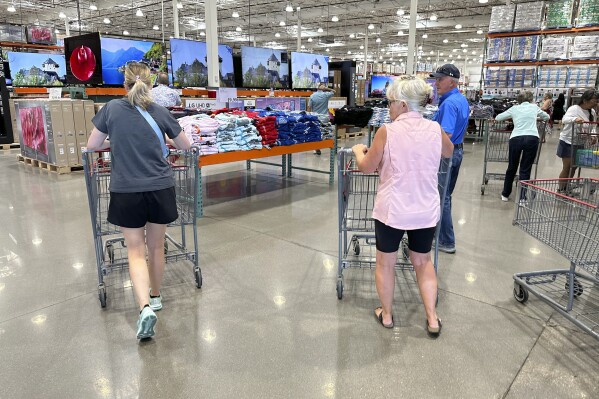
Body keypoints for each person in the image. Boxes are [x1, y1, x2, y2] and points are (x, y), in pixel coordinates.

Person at [86, 62, 191, 341]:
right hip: (160, 188)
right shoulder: (160, 111)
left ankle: (144, 307)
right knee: (156, 247)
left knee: (135, 250)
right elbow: (186, 146)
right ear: (151, 84)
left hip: (126, 190)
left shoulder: (110, 109)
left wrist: (115, 143)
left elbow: (92, 145)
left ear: (124, 84)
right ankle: (156, 296)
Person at [351, 76, 453, 337]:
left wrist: (357, 151)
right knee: (423, 262)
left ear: (405, 105)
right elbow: (449, 152)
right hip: (425, 209)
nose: (389, 107)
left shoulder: (388, 131)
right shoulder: (434, 128)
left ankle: (386, 315)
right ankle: (432, 317)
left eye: (392, 102)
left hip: (393, 211)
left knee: (385, 263)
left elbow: (366, 167)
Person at [430, 64, 469, 254]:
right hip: (458, 151)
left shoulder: (448, 104)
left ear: (451, 82)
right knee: (446, 196)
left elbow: (446, 133)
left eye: (440, 79)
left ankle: (446, 240)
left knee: (441, 197)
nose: (436, 83)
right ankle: (441, 235)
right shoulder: (460, 99)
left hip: (447, 155)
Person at [495, 91, 549, 202]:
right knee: (525, 169)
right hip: (532, 138)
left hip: (516, 138)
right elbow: (546, 117)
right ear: (531, 99)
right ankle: (522, 197)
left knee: (512, 167)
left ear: (519, 100)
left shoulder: (514, 108)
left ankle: (505, 194)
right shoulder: (534, 107)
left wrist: (512, 117)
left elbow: (498, 118)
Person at [556, 89, 597, 190]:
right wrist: (575, 119)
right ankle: (561, 189)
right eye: (594, 100)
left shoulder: (592, 112)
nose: (596, 103)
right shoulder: (574, 108)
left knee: (574, 167)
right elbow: (565, 119)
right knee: (567, 167)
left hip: (580, 143)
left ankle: (566, 186)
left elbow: (593, 127)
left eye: (597, 100)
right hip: (568, 142)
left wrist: (593, 136)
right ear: (585, 100)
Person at [308, 83, 335, 155]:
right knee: (327, 133)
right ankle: (332, 147)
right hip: (325, 118)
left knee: (316, 133)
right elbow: (333, 91)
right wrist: (326, 88)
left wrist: (310, 117)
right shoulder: (326, 95)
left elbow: (309, 108)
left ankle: (317, 148)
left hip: (316, 118)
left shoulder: (312, 96)